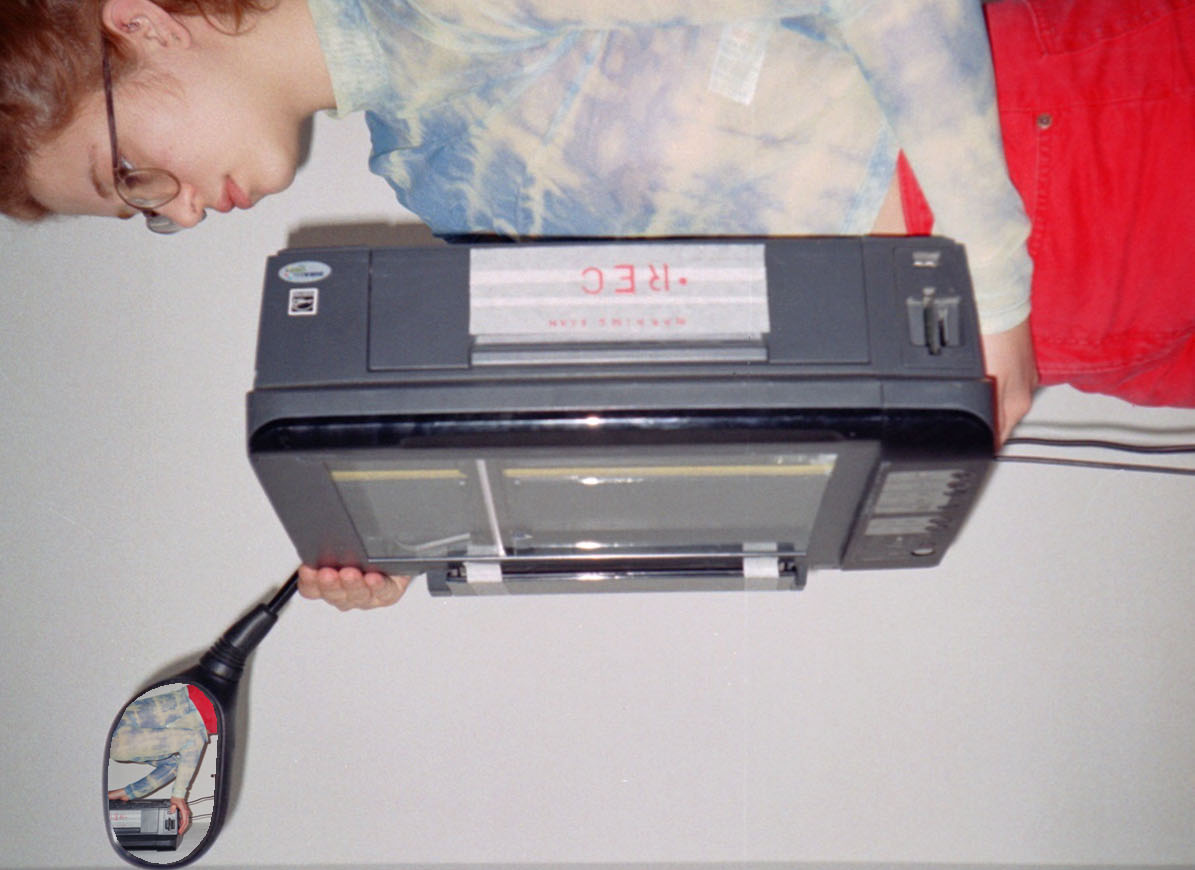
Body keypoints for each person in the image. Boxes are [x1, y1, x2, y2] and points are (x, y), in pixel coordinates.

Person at [4, 0, 1191, 614]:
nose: (180, 209)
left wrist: (991, 281)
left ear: (139, 22)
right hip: (1030, 313)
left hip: (1065, 149)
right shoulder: (430, 168)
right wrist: (411, 530)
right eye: (141, 213)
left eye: (130, 172)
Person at [107, 683, 218, 835]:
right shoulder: (115, 721)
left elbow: (193, 741)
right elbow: (175, 766)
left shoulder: (116, 744)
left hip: (206, 704)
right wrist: (131, 792)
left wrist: (179, 795)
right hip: (206, 699)